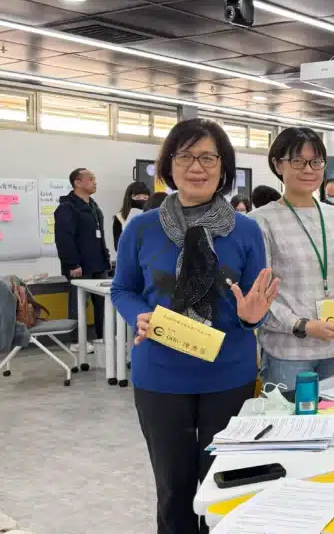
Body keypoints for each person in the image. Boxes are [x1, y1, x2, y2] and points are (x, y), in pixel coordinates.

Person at [110, 118, 278, 534]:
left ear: (224, 168)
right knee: (173, 486)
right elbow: (123, 289)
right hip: (161, 373)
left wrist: (252, 316)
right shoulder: (141, 228)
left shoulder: (246, 230)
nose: (196, 166)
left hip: (228, 371)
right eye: (185, 156)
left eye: (207, 156)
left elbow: (256, 298)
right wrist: (138, 315)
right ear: (168, 165)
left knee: (223, 484)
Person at [250, 128, 334, 387]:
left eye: (316, 162)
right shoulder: (260, 221)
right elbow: (258, 295)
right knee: (292, 426)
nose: (308, 169)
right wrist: (302, 325)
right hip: (289, 352)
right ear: (277, 165)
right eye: (297, 161)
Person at [54, 167, 111, 349]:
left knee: (102, 304)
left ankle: (103, 337)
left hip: (98, 264)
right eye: (90, 179)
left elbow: (99, 235)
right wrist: (72, 264)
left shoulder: (93, 207)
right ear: (77, 182)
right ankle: (77, 341)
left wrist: (106, 256)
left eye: (95, 178)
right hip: (79, 267)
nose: (95, 182)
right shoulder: (67, 208)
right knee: (78, 304)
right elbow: (64, 238)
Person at [113, 181, 150, 248]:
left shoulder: (151, 216)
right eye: (137, 197)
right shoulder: (119, 217)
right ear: (129, 198)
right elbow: (117, 245)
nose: (142, 200)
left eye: (145, 198)